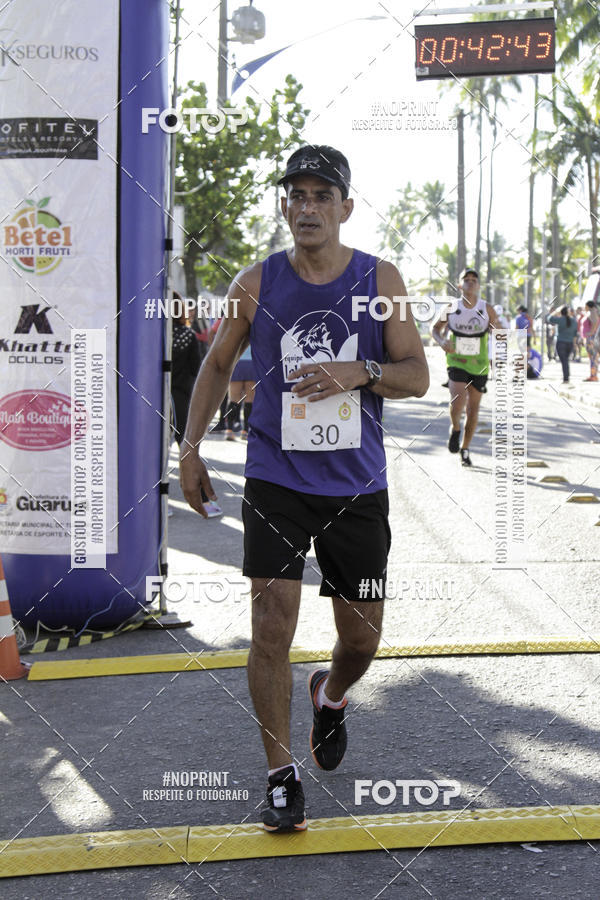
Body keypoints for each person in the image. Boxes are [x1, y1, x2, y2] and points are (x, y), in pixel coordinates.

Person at [179, 145, 429, 833]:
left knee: (362, 639)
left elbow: (418, 375)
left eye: (324, 195)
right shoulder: (255, 283)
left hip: (356, 486)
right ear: (285, 206)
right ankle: (280, 776)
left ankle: (333, 693)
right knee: (270, 626)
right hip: (276, 478)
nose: (309, 206)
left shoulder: (383, 279)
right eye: (298, 195)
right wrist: (191, 445)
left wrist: (361, 371)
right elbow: (217, 361)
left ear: (346, 207)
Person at [431, 268, 500, 467]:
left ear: (478, 285)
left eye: (474, 280)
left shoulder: (487, 309)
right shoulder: (452, 307)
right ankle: (455, 427)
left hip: (479, 364)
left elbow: (498, 334)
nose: (470, 283)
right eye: (466, 280)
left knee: (473, 408)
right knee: (458, 400)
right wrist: (442, 341)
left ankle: (465, 448)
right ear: (460, 284)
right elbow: (435, 329)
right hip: (456, 360)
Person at [171, 294, 223, 518]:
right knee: (188, 447)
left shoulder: (147, 337)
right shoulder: (187, 335)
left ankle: (154, 503)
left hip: (152, 397)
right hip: (180, 396)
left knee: (151, 452)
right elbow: (196, 368)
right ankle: (204, 501)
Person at [224, 344, 256, 440]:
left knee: (234, 399)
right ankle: (245, 431)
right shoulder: (257, 330)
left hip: (237, 362)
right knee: (249, 400)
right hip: (252, 362)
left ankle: (229, 430)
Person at [547, 306, 578, 383]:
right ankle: (566, 376)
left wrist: (556, 311)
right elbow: (575, 334)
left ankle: (566, 377)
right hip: (570, 343)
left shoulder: (560, 320)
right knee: (566, 360)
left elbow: (549, 318)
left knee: (564, 361)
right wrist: (574, 344)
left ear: (561, 312)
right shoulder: (574, 321)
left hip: (561, 343)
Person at [582, 300, 599, 382]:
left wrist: (591, 332)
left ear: (588, 306)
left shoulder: (592, 312)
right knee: (594, 357)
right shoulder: (594, 311)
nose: (585, 308)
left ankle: (593, 376)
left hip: (591, 338)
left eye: (585, 306)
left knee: (593, 357)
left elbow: (595, 321)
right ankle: (593, 375)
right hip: (592, 338)